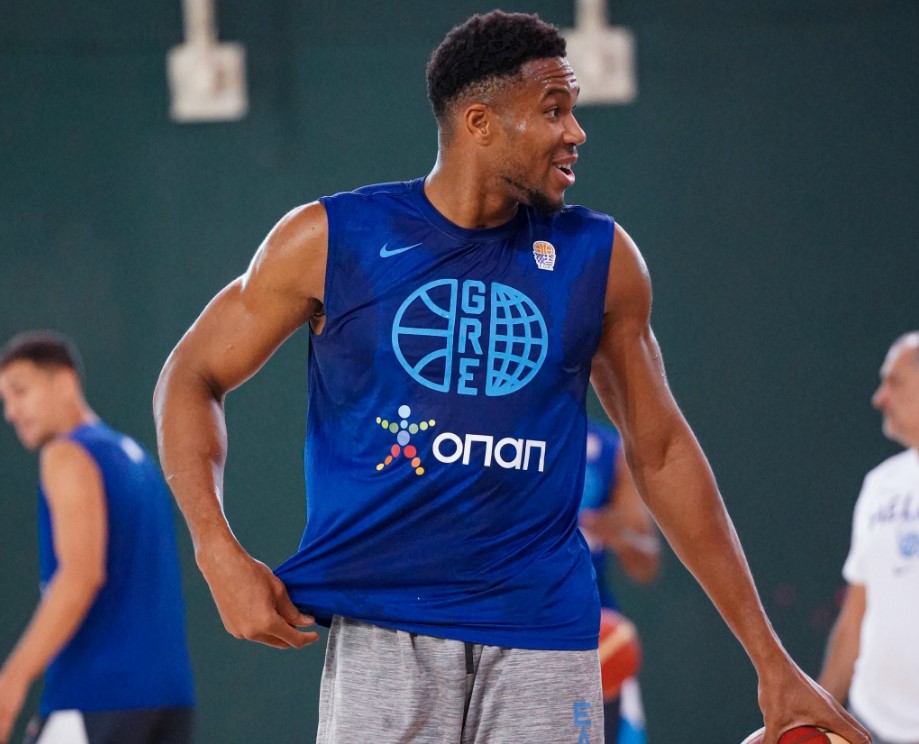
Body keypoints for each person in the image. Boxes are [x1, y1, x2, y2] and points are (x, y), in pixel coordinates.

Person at [153, 10, 868, 744]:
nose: (576, 132)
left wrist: (769, 658)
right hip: (385, 631)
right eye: (553, 111)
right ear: (479, 123)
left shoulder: (600, 258)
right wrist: (215, 548)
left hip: (544, 634)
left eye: (574, 110)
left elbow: (660, 452)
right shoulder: (332, 239)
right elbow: (191, 374)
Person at [0, 332, 195, 744]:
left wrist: (12, 680)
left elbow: (80, 575)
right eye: (6, 400)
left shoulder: (66, 454)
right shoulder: (136, 459)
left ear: (64, 381)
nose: (12, 411)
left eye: (20, 391)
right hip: (169, 700)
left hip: (97, 698)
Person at [818, 332, 919, 744]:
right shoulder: (880, 485)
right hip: (871, 724)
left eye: (893, 382)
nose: (879, 398)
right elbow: (854, 617)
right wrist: (820, 717)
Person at [579, 417, 659, 743]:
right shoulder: (506, 439)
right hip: (515, 630)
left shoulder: (608, 450)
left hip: (592, 638)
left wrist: (619, 537)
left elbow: (647, 563)